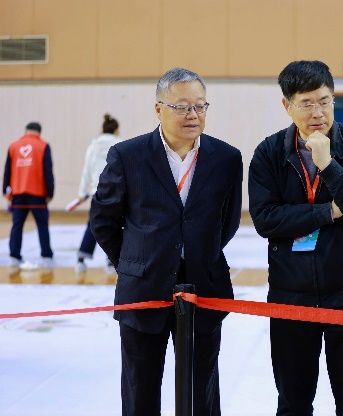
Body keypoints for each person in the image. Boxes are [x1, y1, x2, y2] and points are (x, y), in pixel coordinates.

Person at [90, 68, 242, 415]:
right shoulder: (127, 155)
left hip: (204, 285)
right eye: (182, 106)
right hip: (143, 288)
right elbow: (103, 219)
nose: (193, 114)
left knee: (202, 390)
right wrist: (133, 262)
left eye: (200, 106)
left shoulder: (227, 158)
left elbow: (228, 221)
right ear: (158, 109)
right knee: (140, 389)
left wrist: (199, 252)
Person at [248, 60, 343, 415]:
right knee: (293, 404)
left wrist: (329, 166)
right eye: (306, 103)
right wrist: (332, 210)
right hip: (290, 293)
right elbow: (266, 219)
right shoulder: (269, 153)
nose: (317, 112)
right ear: (287, 105)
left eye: (324, 101)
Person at [3, 122, 54, 269]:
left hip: (18, 194)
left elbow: (7, 170)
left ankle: (14, 256)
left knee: (17, 226)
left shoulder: (13, 146)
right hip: (38, 194)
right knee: (42, 226)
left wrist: (5, 191)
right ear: (39, 132)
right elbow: (48, 171)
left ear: (26, 131)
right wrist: (50, 193)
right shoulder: (43, 146)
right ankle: (46, 256)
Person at [75, 114, 121, 274]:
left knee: (93, 224)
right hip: (116, 192)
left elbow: (86, 171)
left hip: (97, 192)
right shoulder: (120, 144)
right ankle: (111, 262)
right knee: (115, 225)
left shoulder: (93, 146)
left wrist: (82, 192)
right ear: (116, 130)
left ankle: (81, 259)